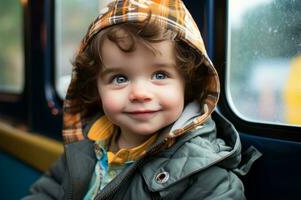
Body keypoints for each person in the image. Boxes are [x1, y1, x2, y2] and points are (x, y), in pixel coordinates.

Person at [23, 0, 260, 199]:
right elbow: (48, 191)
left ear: (187, 85)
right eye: (119, 78)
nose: (139, 93)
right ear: (97, 88)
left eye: (160, 75)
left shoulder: (205, 174)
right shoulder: (88, 141)